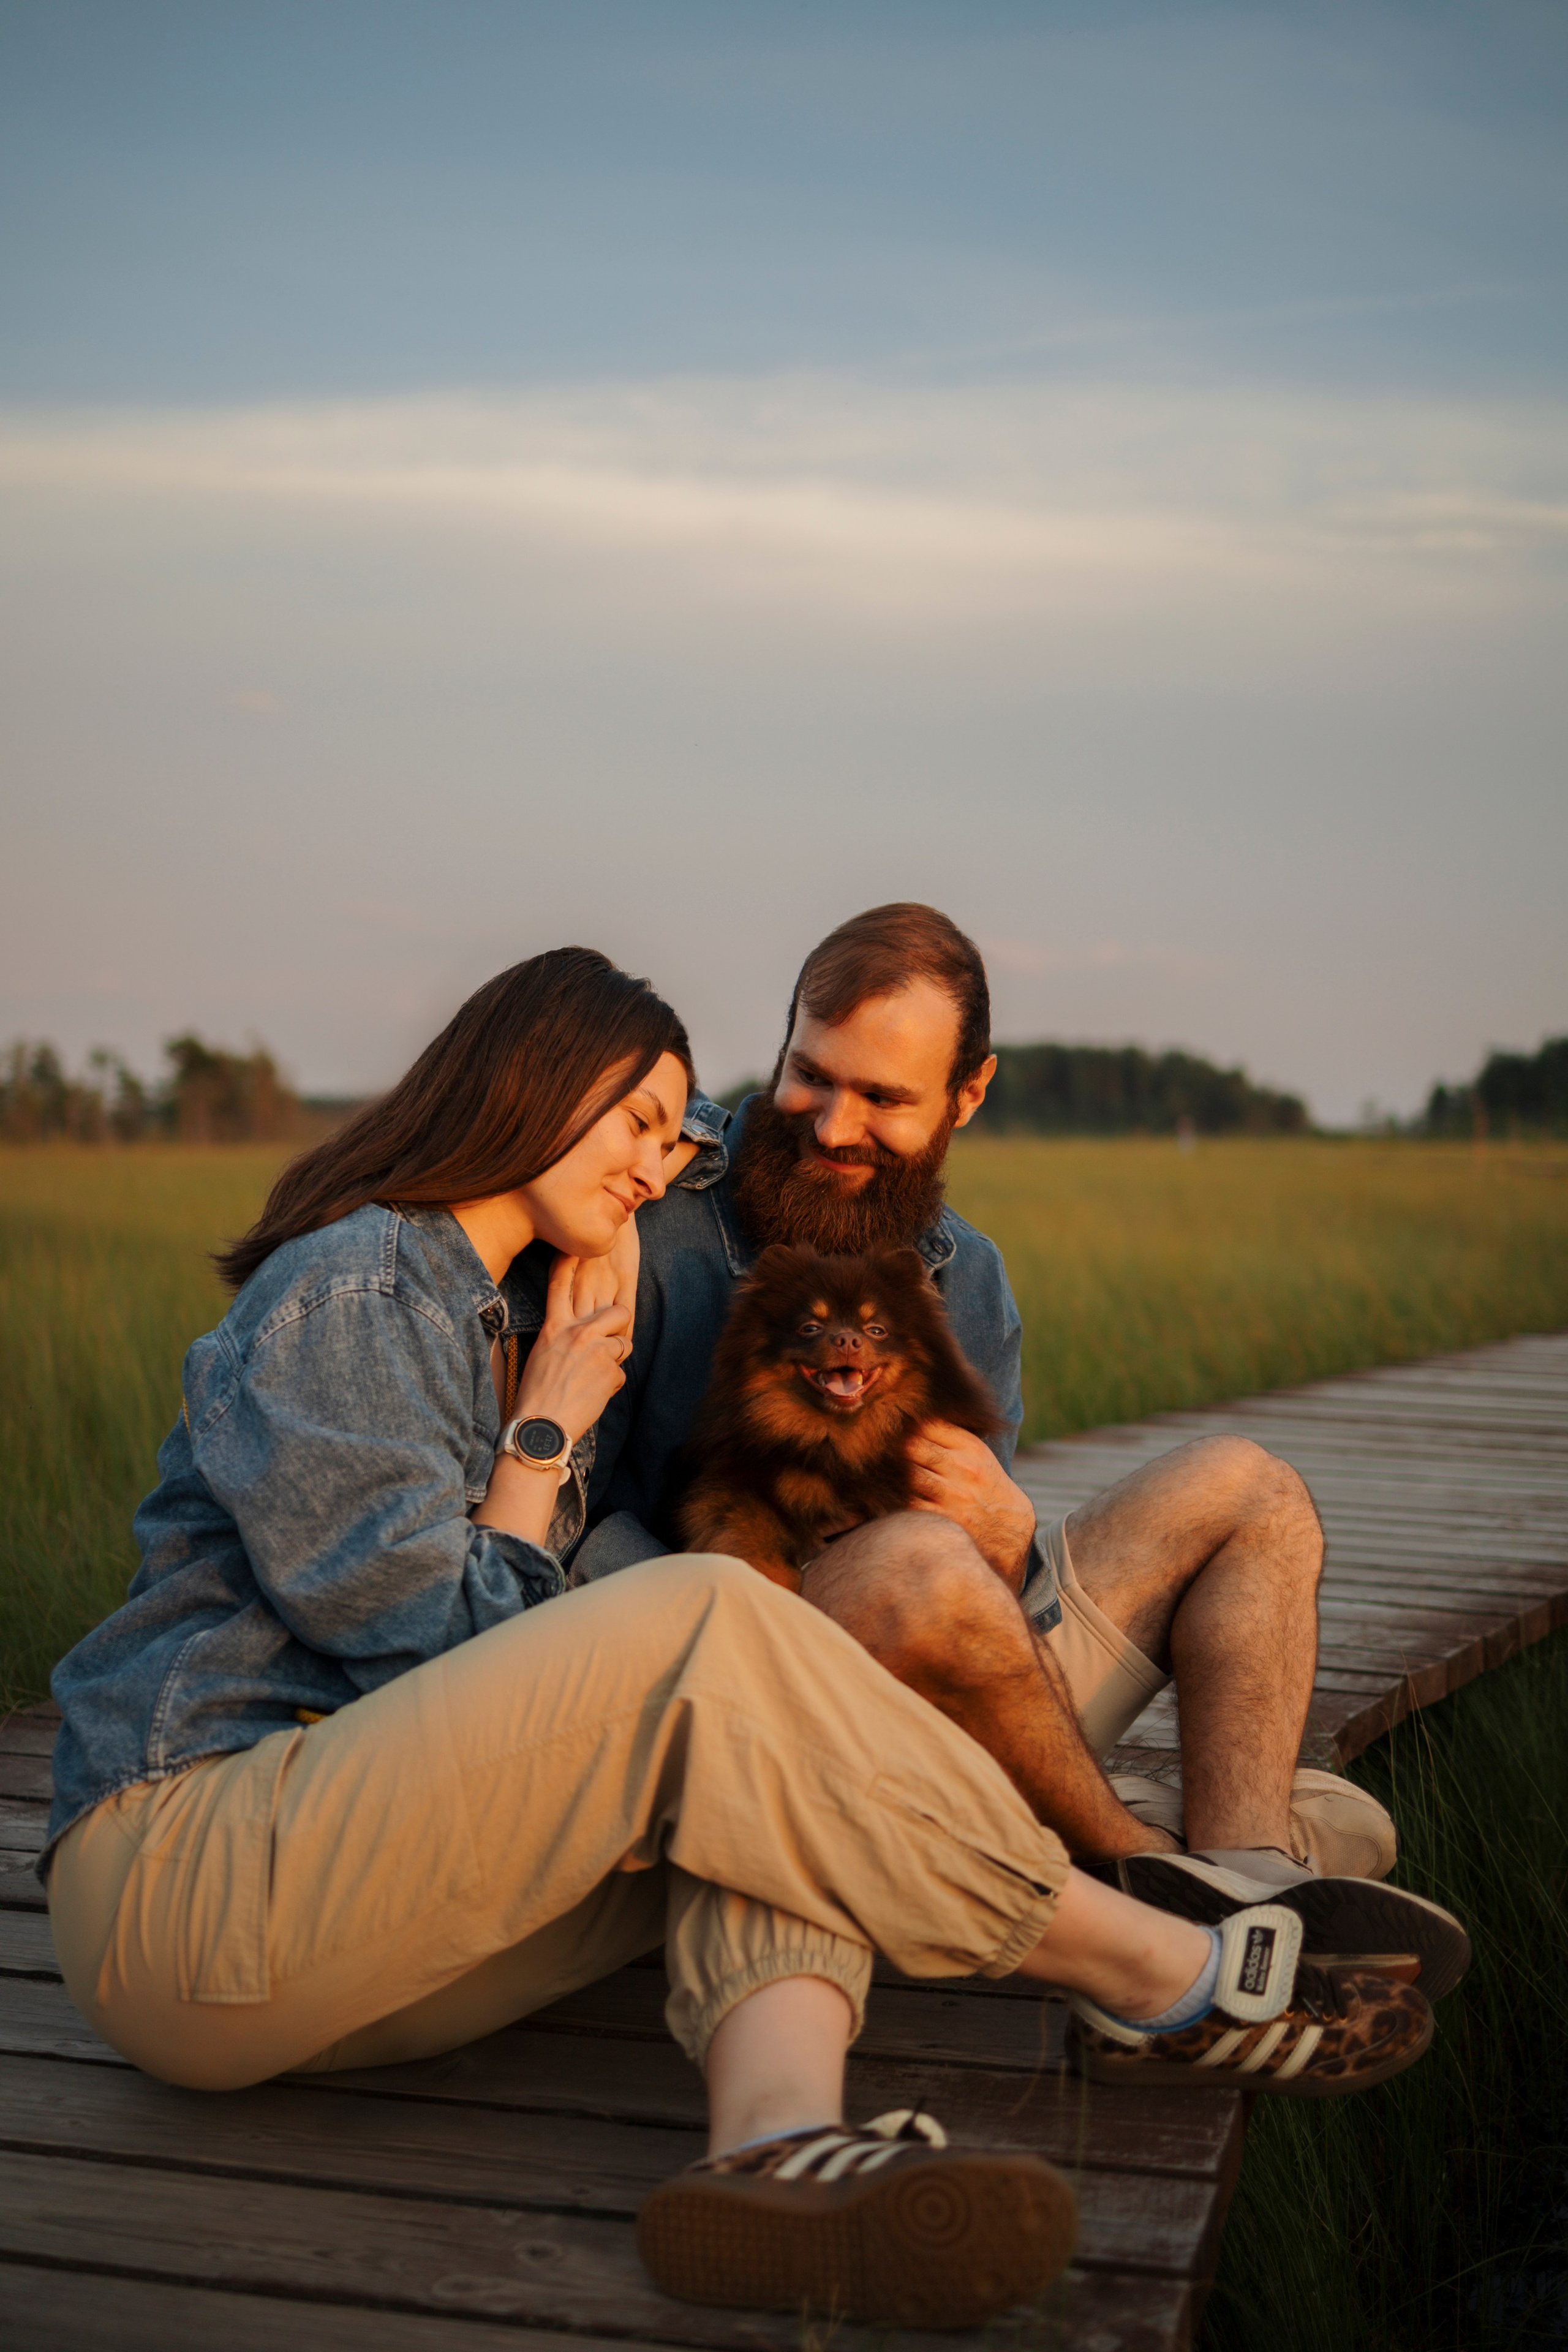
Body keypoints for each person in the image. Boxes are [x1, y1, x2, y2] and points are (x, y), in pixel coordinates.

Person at [42, 947, 1435, 2331]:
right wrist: (545, 1432)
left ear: (966, 1099)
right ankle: (1165, 1956)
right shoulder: (359, 1289)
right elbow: (418, 1643)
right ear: (535, 1087)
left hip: (394, 1938)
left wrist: (996, 1532)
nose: (664, 1167)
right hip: (207, 1889)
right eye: (650, 1125)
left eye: (674, 1130)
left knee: (779, 1743)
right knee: (736, 1634)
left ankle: (774, 2149)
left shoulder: (590, 1287)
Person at [565, 906, 1471, 1998]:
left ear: (969, 1094)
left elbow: (983, 1606)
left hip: (958, 1685)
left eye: (885, 1098)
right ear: (786, 1037)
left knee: (1254, 1490)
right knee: (1349, 1817)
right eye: (813, 1073)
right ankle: (1144, 1866)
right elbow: (561, 1539)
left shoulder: (970, 1278)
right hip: (741, 1687)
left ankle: (1241, 1879)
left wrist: (1007, 1534)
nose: (835, 1125)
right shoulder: (650, 1211)